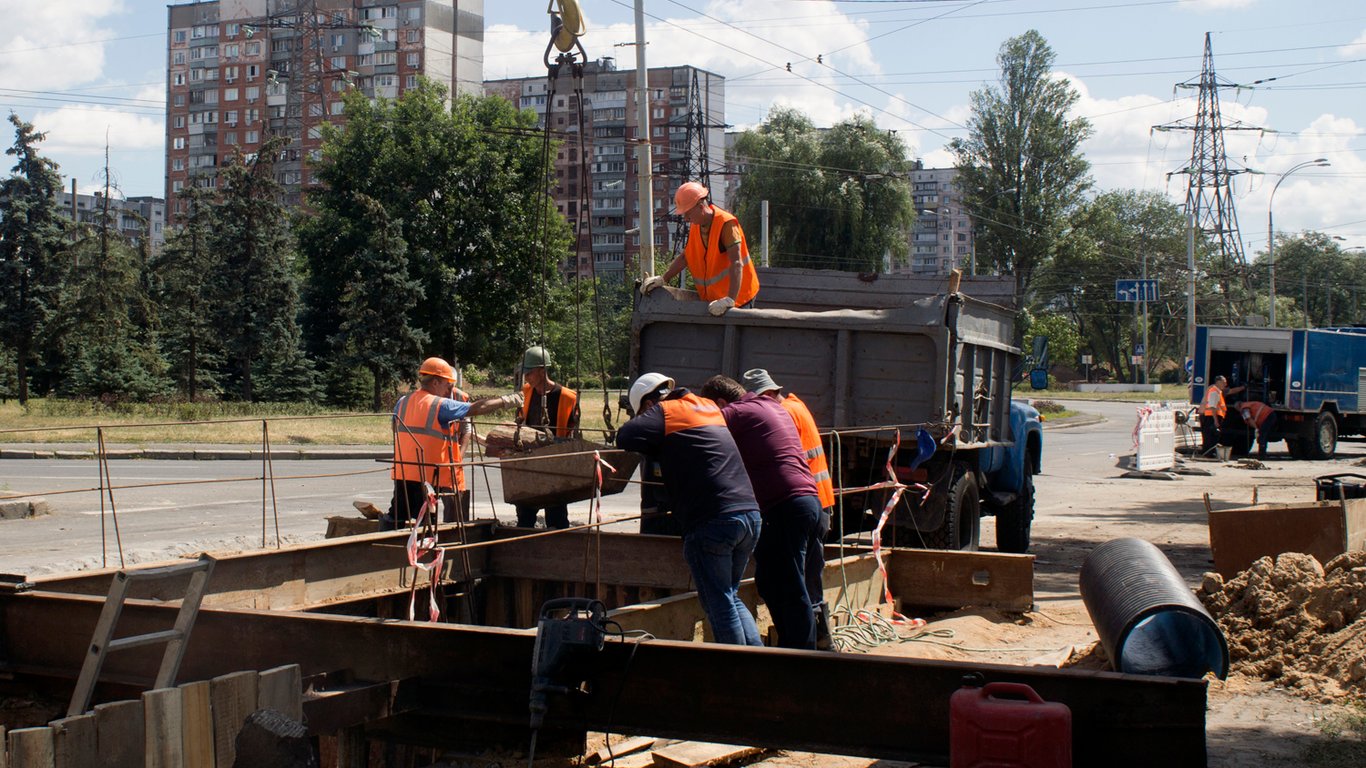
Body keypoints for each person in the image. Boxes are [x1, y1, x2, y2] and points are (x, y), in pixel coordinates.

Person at [616, 372, 764, 646]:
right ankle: (759, 661)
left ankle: (739, 672)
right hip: (750, 515)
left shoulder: (665, 411)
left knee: (719, 602)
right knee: (729, 595)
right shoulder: (706, 406)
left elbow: (624, 437)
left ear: (648, 405)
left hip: (713, 521)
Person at [700, 374, 821, 651]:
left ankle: (804, 656)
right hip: (801, 503)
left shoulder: (738, 411)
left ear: (721, 402)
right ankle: (791, 647)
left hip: (786, 505)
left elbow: (702, 425)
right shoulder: (770, 406)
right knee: (770, 580)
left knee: (790, 584)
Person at [741, 367, 836, 650]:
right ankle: (819, 641)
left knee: (795, 581)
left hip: (799, 505)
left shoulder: (782, 414)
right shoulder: (796, 405)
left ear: (767, 395)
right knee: (807, 578)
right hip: (818, 503)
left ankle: (804, 646)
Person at [388, 357, 523, 531]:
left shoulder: (403, 402)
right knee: (426, 525)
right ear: (435, 382)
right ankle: (425, 555)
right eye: (447, 385)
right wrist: (508, 400)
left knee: (397, 516)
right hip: (429, 476)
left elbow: (395, 429)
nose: (449, 390)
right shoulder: (440, 405)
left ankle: (383, 549)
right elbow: (477, 408)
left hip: (404, 472)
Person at [639, 181, 759, 316]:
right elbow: (686, 257)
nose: (686, 219)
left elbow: (737, 263)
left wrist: (729, 300)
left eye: (688, 214)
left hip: (739, 298)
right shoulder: (697, 225)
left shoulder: (727, 225)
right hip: (715, 302)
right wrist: (663, 279)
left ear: (701, 207)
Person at [513, 345, 581, 529]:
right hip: (528, 460)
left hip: (555, 462)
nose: (526, 377)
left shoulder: (567, 397)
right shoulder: (526, 392)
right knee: (525, 515)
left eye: (530, 373)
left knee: (557, 516)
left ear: (542, 371)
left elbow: (573, 434)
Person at [1200, 375, 1245, 456]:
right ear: (1219, 382)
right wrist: (1216, 421)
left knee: (1212, 436)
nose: (1226, 384)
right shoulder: (1214, 391)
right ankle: (1208, 453)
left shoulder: (1218, 390)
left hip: (1210, 416)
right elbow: (1212, 407)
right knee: (1210, 436)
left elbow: (1230, 391)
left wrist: (1242, 388)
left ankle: (1209, 453)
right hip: (1209, 416)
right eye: (1224, 382)